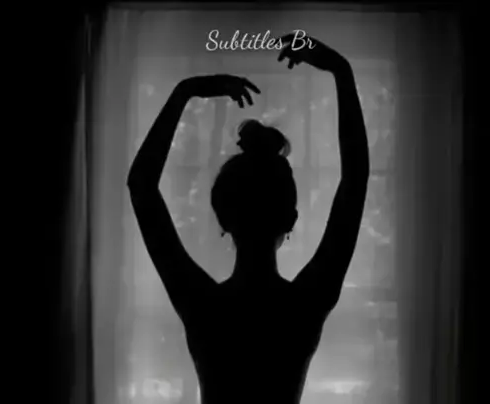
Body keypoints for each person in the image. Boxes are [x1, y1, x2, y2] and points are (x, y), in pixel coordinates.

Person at [127, 34, 370, 404]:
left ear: (222, 216)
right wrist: (340, 69)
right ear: (291, 218)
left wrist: (185, 91)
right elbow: (355, 180)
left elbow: (141, 186)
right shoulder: (304, 305)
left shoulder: (204, 306)